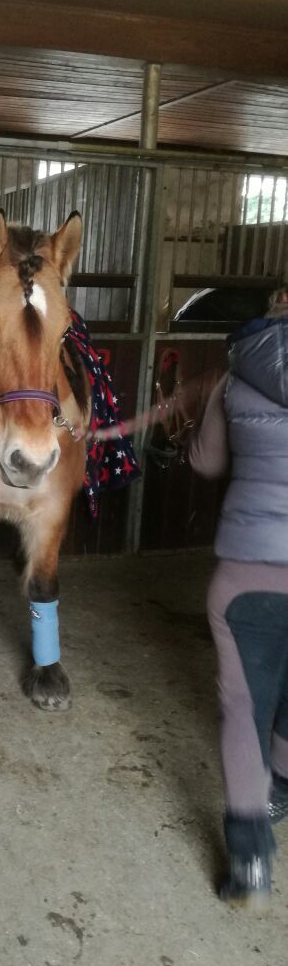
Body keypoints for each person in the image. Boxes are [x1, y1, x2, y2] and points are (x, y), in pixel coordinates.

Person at [189, 283, 288, 908]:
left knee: (242, 707)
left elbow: (204, 463)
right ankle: (281, 784)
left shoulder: (236, 373)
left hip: (247, 572)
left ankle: (250, 857)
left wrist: (212, 403)